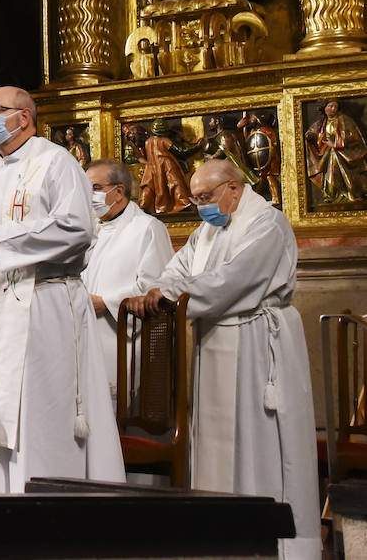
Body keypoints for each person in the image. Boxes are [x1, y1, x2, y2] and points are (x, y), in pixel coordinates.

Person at [124, 160, 318, 560]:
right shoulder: (207, 231)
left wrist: (174, 295)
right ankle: (220, 543)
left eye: (205, 198)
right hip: (214, 341)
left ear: (233, 188)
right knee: (213, 446)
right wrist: (162, 289)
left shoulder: (267, 223)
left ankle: (272, 544)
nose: (200, 207)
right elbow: (174, 271)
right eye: (194, 199)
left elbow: (235, 280)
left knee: (258, 442)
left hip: (257, 342)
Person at [0, 86, 124, 492]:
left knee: (42, 419)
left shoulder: (55, 162)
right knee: (2, 422)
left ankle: (53, 524)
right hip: (1, 310)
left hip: (47, 304)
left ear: (24, 117)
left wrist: (0, 238)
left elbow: (77, 227)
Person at [80, 159, 174, 407]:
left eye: (96, 188)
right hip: (85, 335)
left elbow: (157, 288)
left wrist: (107, 302)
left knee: (116, 415)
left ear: (119, 191)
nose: (89, 196)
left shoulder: (147, 228)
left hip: (124, 340)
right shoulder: (90, 231)